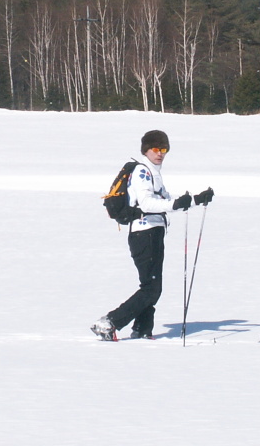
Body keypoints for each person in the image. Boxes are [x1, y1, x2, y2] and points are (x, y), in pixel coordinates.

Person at [91, 129, 214, 341]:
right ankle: (110, 322)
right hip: (143, 233)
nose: (160, 153)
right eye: (156, 149)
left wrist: (197, 199)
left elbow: (167, 200)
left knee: (151, 286)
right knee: (152, 289)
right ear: (146, 150)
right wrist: (174, 204)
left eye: (164, 149)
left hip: (153, 232)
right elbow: (148, 203)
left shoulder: (154, 173)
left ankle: (142, 328)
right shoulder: (142, 172)